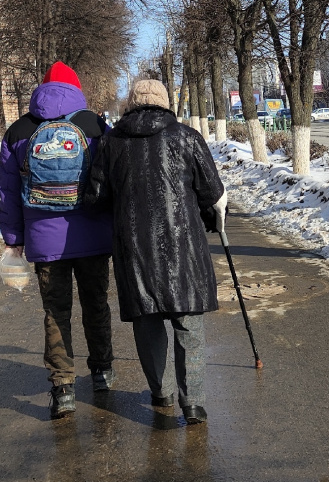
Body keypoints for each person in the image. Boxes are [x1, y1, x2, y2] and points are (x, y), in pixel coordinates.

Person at [85, 79, 225, 425]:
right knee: (188, 324)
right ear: (165, 103)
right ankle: (192, 402)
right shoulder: (187, 137)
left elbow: (95, 197)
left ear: (130, 104)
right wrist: (210, 218)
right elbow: (212, 192)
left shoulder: (111, 142)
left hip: (134, 250)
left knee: (147, 321)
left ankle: (161, 391)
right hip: (184, 250)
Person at [0, 61, 114, 420]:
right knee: (96, 304)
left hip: (44, 241)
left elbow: (9, 191)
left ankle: (63, 387)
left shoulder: (19, 130)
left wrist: (14, 239)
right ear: (76, 89)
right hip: (94, 235)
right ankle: (102, 372)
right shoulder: (95, 126)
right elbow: (111, 180)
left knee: (55, 311)